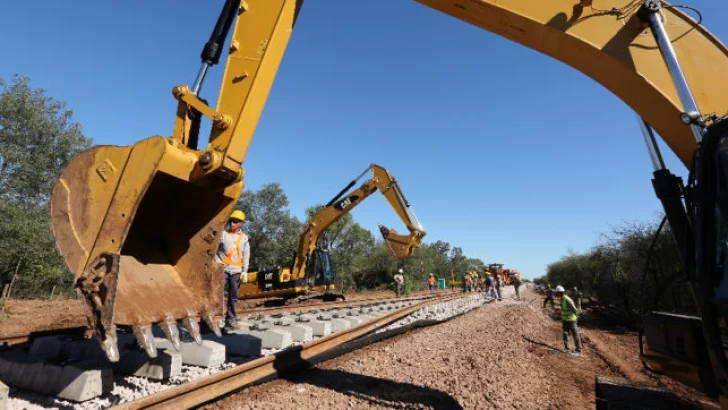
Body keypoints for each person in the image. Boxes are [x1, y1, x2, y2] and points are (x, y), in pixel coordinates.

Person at [215, 209, 250, 330]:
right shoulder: (223, 234)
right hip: (222, 270)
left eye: (235, 222)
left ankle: (231, 320)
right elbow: (213, 248)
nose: (232, 224)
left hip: (236, 271)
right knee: (216, 295)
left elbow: (246, 255)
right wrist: (217, 260)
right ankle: (210, 321)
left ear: (241, 223)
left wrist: (245, 270)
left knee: (233, 297)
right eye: (231, 221)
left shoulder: (244, 238)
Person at [555, 285, 582, 353]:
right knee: (565, 334)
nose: (556, 294)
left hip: (572, 320)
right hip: (565, 320)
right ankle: (567, 349)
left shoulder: (567, 299)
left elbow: (575, 310)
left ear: (560, 292)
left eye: (557, 293)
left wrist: (576, 318)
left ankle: (578, 349)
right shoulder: (562, 299)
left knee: (575, 334)